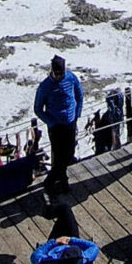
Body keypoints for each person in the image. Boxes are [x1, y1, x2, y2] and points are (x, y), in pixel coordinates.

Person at [36, 53, 83, 196]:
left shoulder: (71, 78)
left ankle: (52, 181)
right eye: (56, 74)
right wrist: (51, 122)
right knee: (58, 156)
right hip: (56, 127)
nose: (58, 76)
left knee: (68, 154)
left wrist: (77, 114)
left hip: (70, 123)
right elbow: (38, 108)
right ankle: (61, 182)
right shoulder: (45, 86)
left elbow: (79, 95)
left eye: (60, 74)